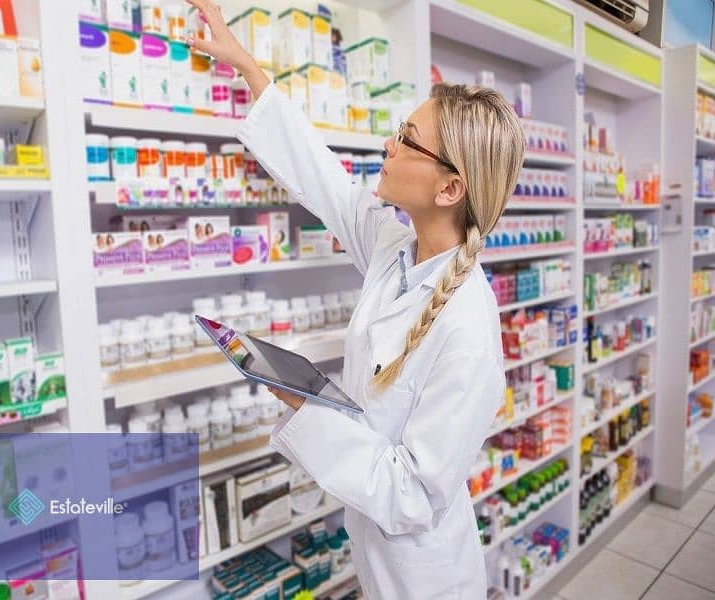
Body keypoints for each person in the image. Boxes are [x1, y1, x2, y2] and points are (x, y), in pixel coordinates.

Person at [184, 2, 525, 597]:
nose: (389, 146)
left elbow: (412, 494)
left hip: (425, 579)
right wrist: (247, 67)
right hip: (375, 555)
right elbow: (325, 181)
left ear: (451, 187)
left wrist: (303, 405)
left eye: (407, 140)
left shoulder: (468, 328)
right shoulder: (397, 247)